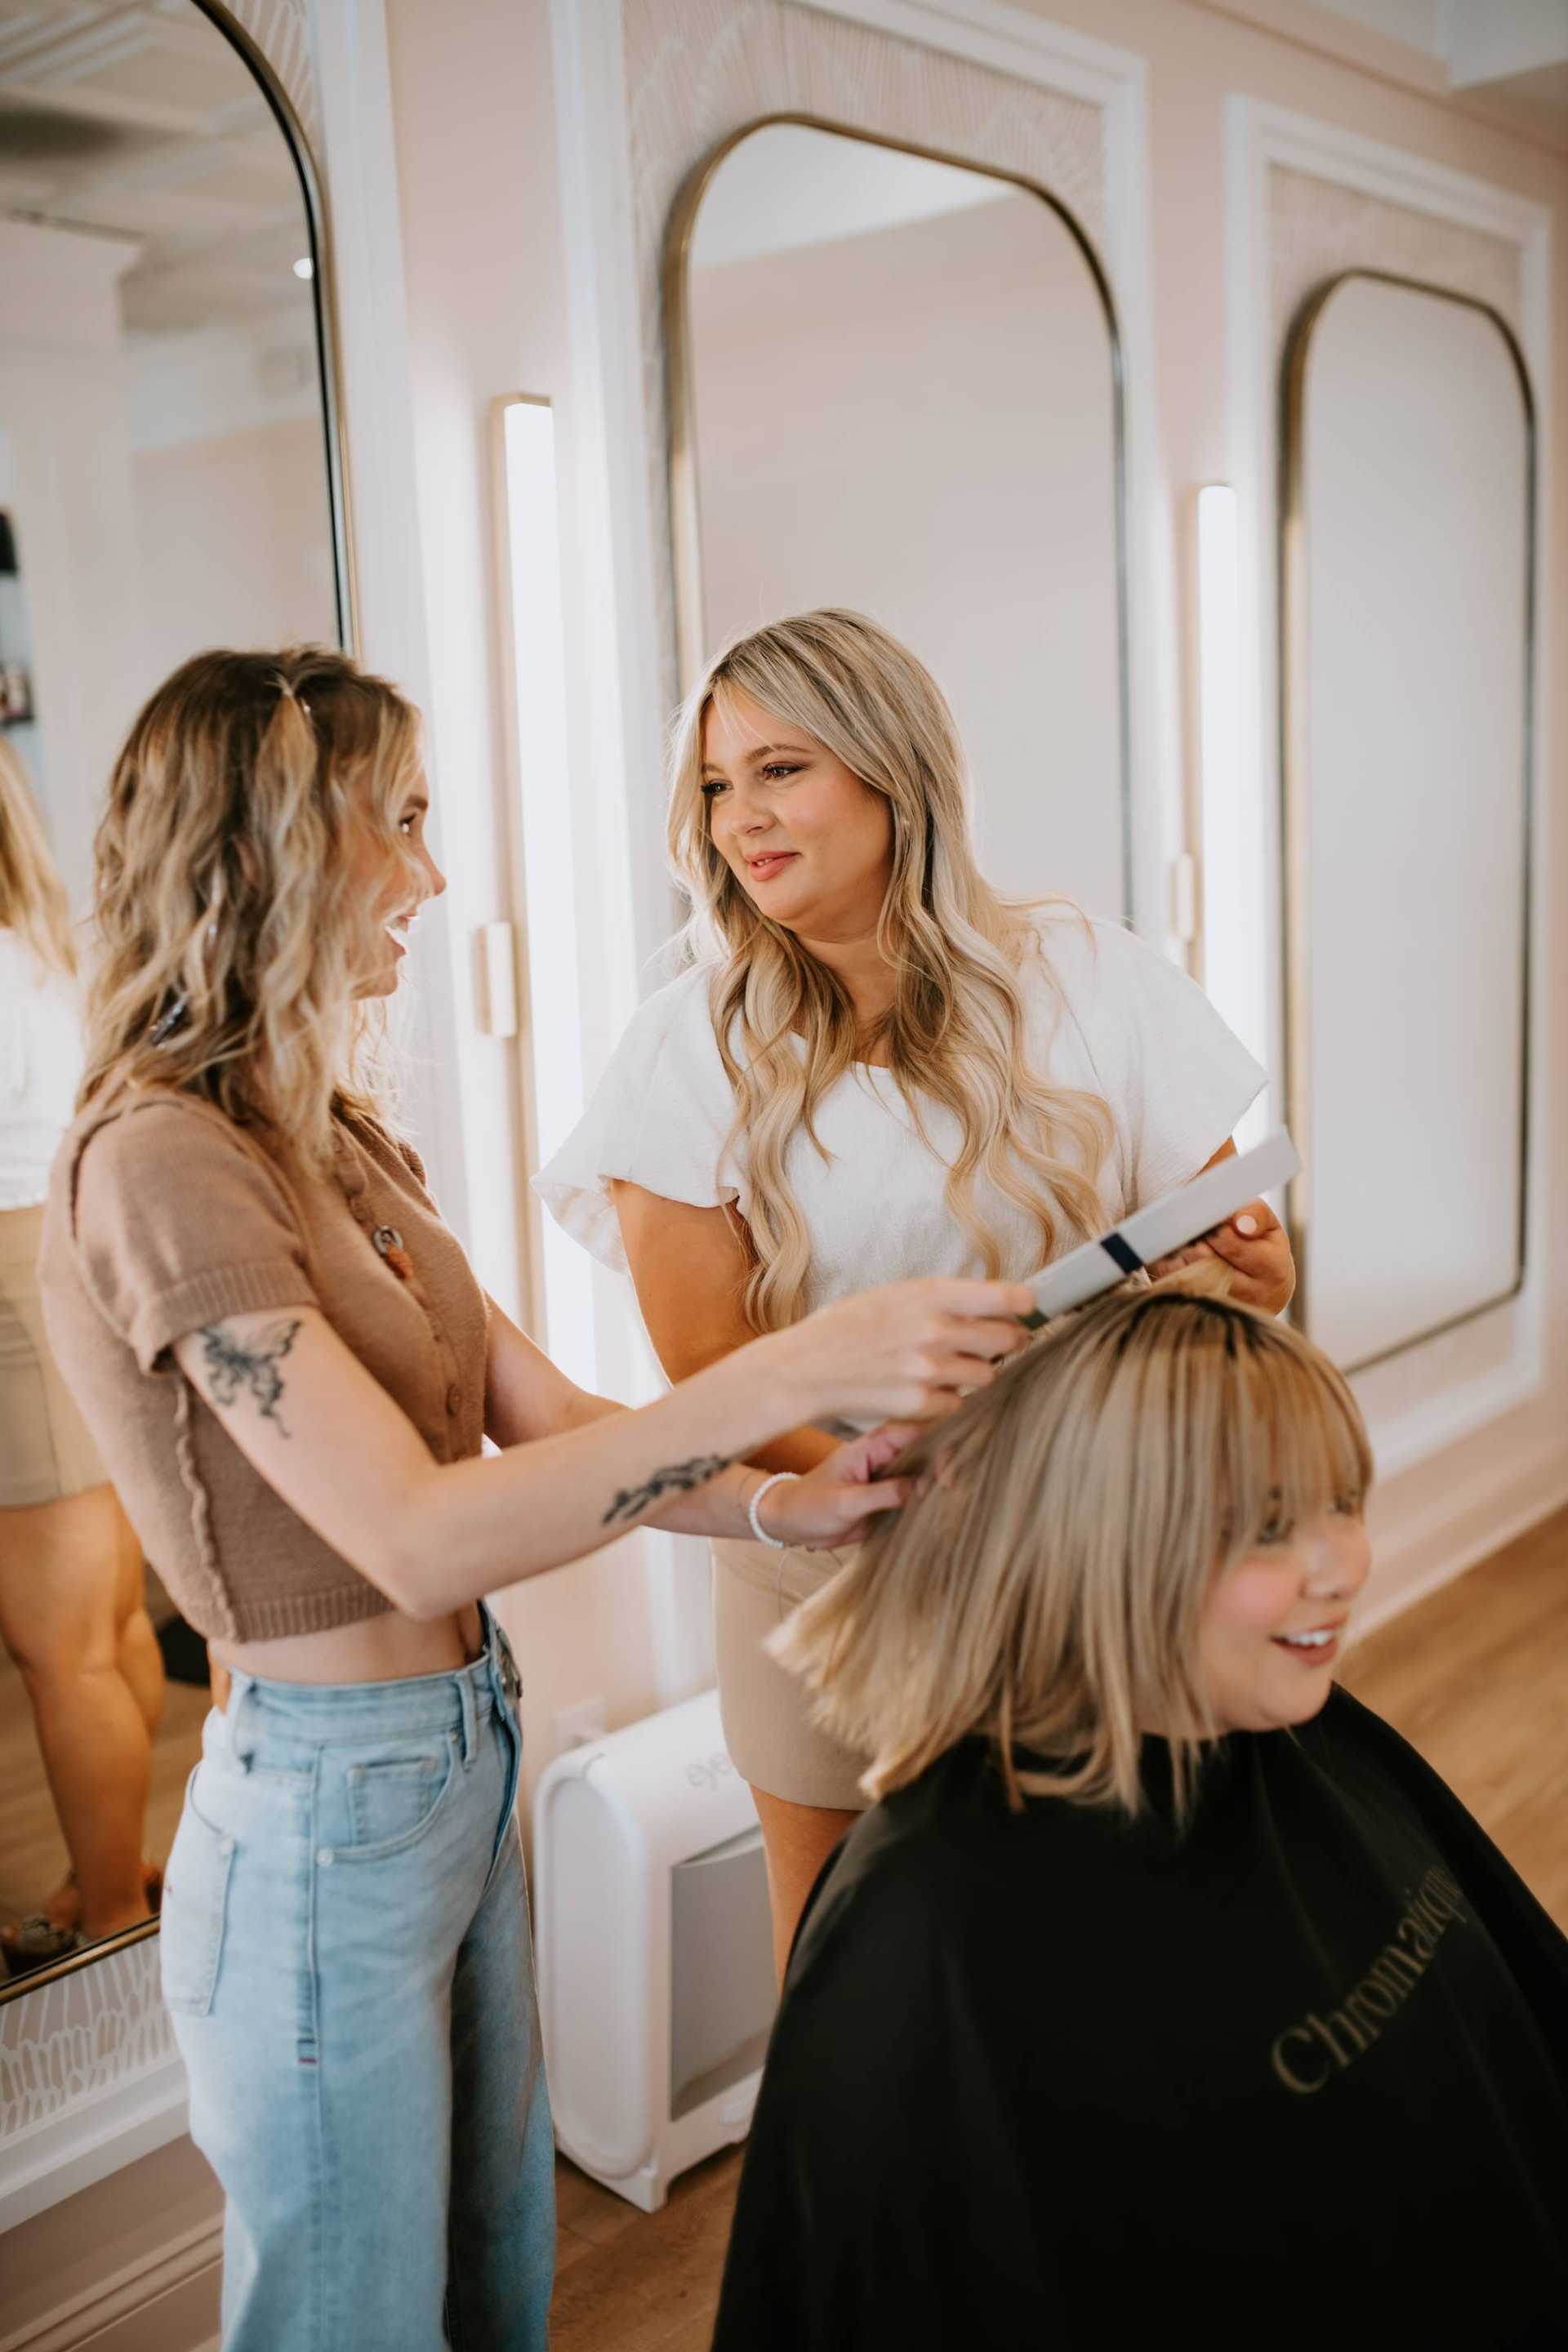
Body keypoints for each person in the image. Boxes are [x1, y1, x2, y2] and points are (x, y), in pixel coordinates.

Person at [38, 645, 1034, 2352]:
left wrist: (783, 1511)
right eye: (399, 827)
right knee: (355, 2320)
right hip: (322, 1818)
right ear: (275, 844)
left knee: (494, 2279)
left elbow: (551, 1418)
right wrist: (793, 1372)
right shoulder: (156, 1165)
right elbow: (417, 1528)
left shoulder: (333, 1140)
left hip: (460, 1752)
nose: (431, 879)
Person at [537, 608, 1295, 1971]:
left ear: (894, 772)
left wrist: (1240, 1274)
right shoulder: (684, 1050)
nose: (736, 818)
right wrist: (896, 1498)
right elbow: (712, 1373)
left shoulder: (1092, 975)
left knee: (1090, 1954)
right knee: (848, 1965)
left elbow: (1251, 1269)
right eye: (715, 784)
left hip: (1089, 1546)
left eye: (781, 769)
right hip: (826, 1575)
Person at [710, 1273, 1568, 2350]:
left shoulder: (1296, 1745)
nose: (1340, 1565)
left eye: (1342, 1503)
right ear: (1108, 1542)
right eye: (1265, 1529)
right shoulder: (926, 1924)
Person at [0, 736, 164, 1972]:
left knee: (63, 1646)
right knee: (109, 1623)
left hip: (12, 1279)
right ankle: (108, 1873)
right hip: (62, 1251)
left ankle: (109, 1913)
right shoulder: (41, 956)